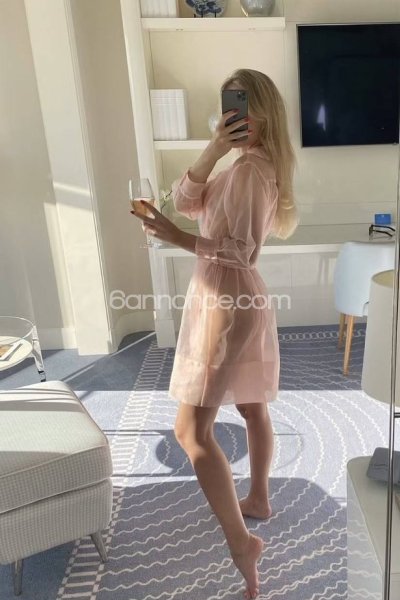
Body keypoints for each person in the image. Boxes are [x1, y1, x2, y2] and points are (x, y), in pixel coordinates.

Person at [130, 68, 298, 600]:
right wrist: (213, 149)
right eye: (228, 107)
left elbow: (238, 252)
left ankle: (243, 544)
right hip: (230, 297)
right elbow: (186, 200)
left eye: (242, 107)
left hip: (227, 298)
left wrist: (175, 236)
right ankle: (259, 498)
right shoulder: (240, 163)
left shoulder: (251, 172)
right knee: (250, 406)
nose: (233, 116)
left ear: (263, 113)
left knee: (191, 431)